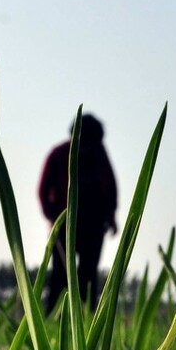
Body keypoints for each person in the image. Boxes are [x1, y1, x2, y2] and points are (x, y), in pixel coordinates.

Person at [38, 113, 118, 313]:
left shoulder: (100, 156)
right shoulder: (58, 154)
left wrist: (111, 216)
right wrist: (51, 217)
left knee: (89, 274)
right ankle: (52, 316)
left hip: (94, 224)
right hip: (65, 224)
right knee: (59, 273)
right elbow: (43, 189)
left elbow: (110, 187)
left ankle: (88, 319)